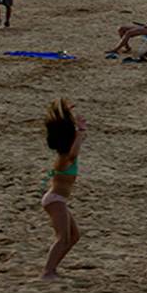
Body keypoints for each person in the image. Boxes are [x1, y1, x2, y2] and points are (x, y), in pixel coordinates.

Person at [40, 99, 85, 281]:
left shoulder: (65, 155)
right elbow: (74, 153)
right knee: (62, 238)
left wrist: (70, 119)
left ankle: (53, 269)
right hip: (54, 200)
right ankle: (47, 272)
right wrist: (80, 133)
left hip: (58, 199)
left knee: (74, 236)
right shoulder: (64, 158)